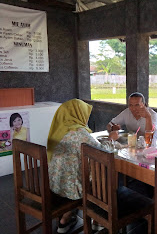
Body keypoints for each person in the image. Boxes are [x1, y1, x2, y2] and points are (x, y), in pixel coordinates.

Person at [47, 99, 118, 233]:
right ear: (78, 114)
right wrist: (112, 138)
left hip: (55, 184)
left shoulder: (59, 129)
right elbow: (102, 151)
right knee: (101, 172)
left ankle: (64, 221)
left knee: (85, 168)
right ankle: (98, 220)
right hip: (72, 188)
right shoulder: (79, 133)